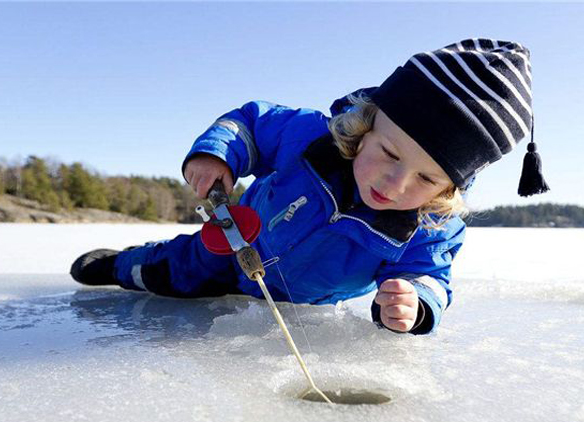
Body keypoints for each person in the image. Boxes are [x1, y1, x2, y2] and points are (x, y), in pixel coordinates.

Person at [70, 38, 548, 335]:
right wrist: (217, 153)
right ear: (367, 125)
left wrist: (415, 303)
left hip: (300, 303)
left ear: (449, 188)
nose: (395, 183)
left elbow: (430, 276)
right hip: (235, 241)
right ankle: (124, 266)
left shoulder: (428, 229)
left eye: (426, 178)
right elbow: (250, 125)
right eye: (389, 154)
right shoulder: (310, 137)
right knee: (175, 267)